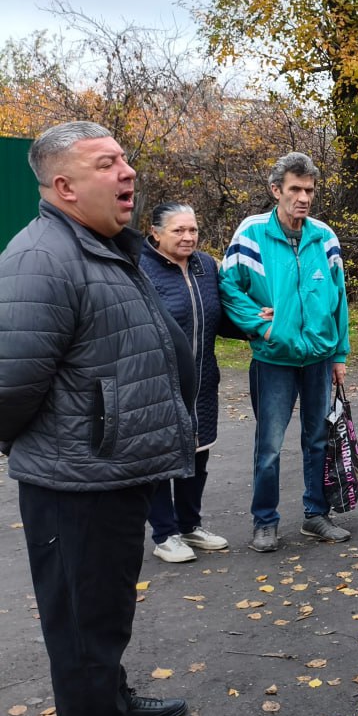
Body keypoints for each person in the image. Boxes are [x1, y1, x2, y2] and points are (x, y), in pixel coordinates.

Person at [0, 122, 193, 716]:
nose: (128, 172)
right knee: (82, 627)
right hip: (72, 485)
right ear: (64, 186)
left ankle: (111, 703)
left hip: (111, 473)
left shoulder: (103, 247)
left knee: (105, 615)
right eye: (107, 163)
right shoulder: (41, 260)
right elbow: (7, 385)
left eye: (126, 159)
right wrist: (56, 447)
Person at [220, 151, 352, 552]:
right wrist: (261, 325)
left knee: (316, 439)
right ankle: (265, 522)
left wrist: (340, 354)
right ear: (276, 190)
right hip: (273, 360)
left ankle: (316, 515)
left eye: (309, 190)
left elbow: (339, 299)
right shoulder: (252, 233)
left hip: (317, 358)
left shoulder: (324, 237)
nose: (303, 197)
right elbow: (228, 287)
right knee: (270, 445)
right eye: (295, 189)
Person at [139, 202, 231, 563]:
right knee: (163, 457)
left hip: (203, 378)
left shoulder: (206, 265)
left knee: (197, 454)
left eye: (193, 230)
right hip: (157, 382)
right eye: (179, 230)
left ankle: (190, 525)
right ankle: (165, 534)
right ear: (156, 232)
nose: (188, 237)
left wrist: (255, 321)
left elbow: (219, 317)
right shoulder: (139, 268)